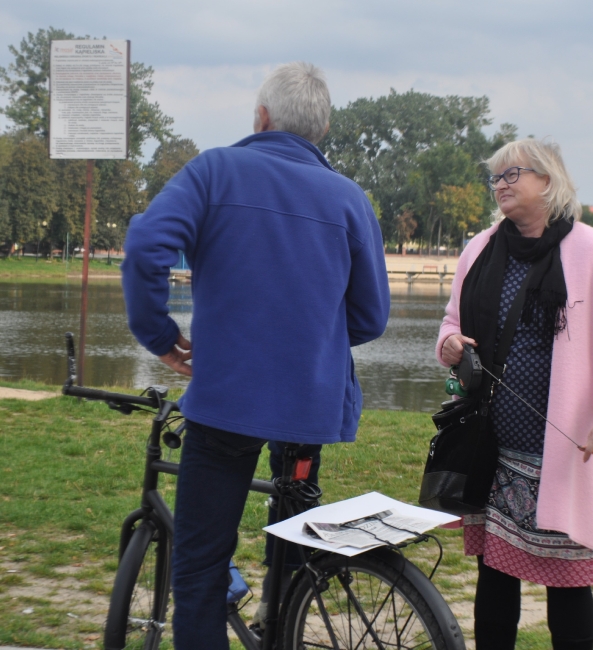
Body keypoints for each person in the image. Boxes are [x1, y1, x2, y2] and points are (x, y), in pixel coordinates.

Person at [121, 62, 390, 649]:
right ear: (320, 130)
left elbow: (146, 246)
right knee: (293, 521)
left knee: (200, 565)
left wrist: (159, 335)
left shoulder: (214, 171)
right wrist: (309, 333)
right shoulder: (349, 198)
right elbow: (370, 318)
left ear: (261, 117)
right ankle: (281, 611)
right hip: (310, 402)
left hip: (228, 398)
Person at [436, 138, 593, 650]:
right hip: (491, 446)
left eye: (512, 175)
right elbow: (451, 323)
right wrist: (450, 344)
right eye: (496, 177)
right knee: (494, 575)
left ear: (547, 181)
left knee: (567, 582)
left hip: (564, 452)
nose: (500, 185)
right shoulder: (480, 248)